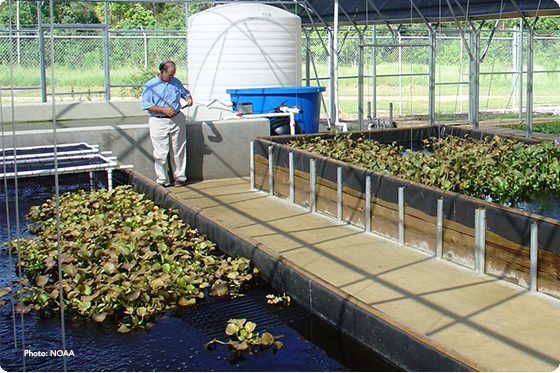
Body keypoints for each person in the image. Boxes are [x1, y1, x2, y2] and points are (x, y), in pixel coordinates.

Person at [141, 60, 193, 187]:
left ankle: (180, 177)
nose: (172, 76)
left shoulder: (175, 82)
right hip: (159, 120)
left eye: (173, 74)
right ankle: (162, 179)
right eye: (170, 74)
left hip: (176, 119)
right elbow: (146, 105)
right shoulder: (150, 86)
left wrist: (188, 98)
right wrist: (163, 109)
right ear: (162, 72)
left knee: (179, 148)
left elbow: (184, 93)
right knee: (161, 151)